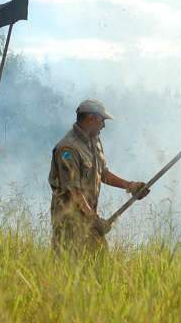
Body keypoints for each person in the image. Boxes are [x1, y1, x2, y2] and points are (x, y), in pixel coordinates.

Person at [48, 99, 149, 253]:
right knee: (68, 268)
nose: (103, 125)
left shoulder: (94, 141)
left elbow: (103, 173)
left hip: (89, 219)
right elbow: (74, 192)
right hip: (69, 223)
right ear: (91, 118)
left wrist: (130, 186)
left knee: (101, 266)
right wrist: (94, 220)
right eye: (102, 120)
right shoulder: (67, 149)